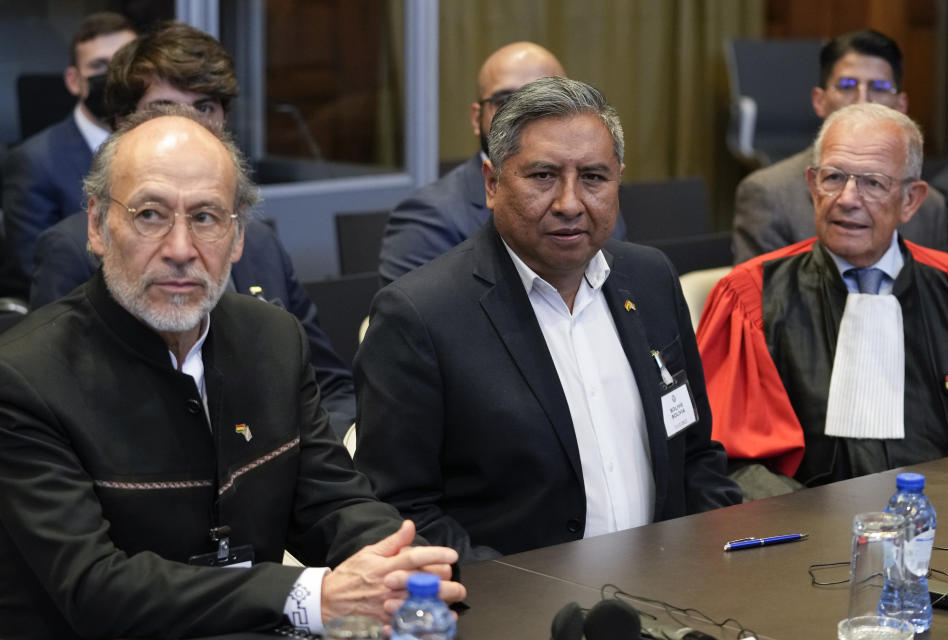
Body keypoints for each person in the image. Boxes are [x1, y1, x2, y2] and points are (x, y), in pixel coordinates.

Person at [0, 107, 464, 640]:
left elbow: (332, 501)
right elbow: (93, 587)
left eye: (205, 217)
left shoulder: (272, 340)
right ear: (98, 225)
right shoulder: (24, 378)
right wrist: (309, 595)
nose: (180, 250)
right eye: (150, 214)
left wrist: (395, 562)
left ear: (237, 236)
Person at [354, 77, 741, 564]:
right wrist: (516, 595)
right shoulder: (419, 314)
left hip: (669, 591)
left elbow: (695, 452)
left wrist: (720, 558)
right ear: (492, 183)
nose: (570, 203)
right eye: (543, 176)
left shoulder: (650, 278)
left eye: (594, 177)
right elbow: (399, 511)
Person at [29, 21, 357, 437]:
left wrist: (336, 455)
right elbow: (62, 407)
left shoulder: (257, 242)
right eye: (165, 109)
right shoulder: (73, 248)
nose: (189, 128)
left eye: (204, 108)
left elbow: (327, 382)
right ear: (121, 125)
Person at [698, 103, 948, 491]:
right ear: (811, 186)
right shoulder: (751, 297)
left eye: (873, 182)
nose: (849, 198)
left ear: (910, 200)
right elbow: (724, 458)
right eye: (834, 177)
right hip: (803, 534)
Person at [378, 41, 626, 285]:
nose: (525, 115)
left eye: (548, 103)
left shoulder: (594, 192)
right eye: (507, 101)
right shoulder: (429, 217)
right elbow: (421, 318)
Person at [732, 29, 947, 264]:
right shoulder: (769, 194)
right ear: (819, 101)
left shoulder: (929, 206)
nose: (862, 99)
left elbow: (933, 293)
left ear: (901, 104)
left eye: (880, 87)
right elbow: (757, 295)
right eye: (847, 85)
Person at [0, 12, 136, 298]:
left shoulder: (160, 148)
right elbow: (36, 273)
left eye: (126, 63)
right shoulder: (34, 162)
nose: (114, 76)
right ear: (74, 80)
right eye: (100, 65)